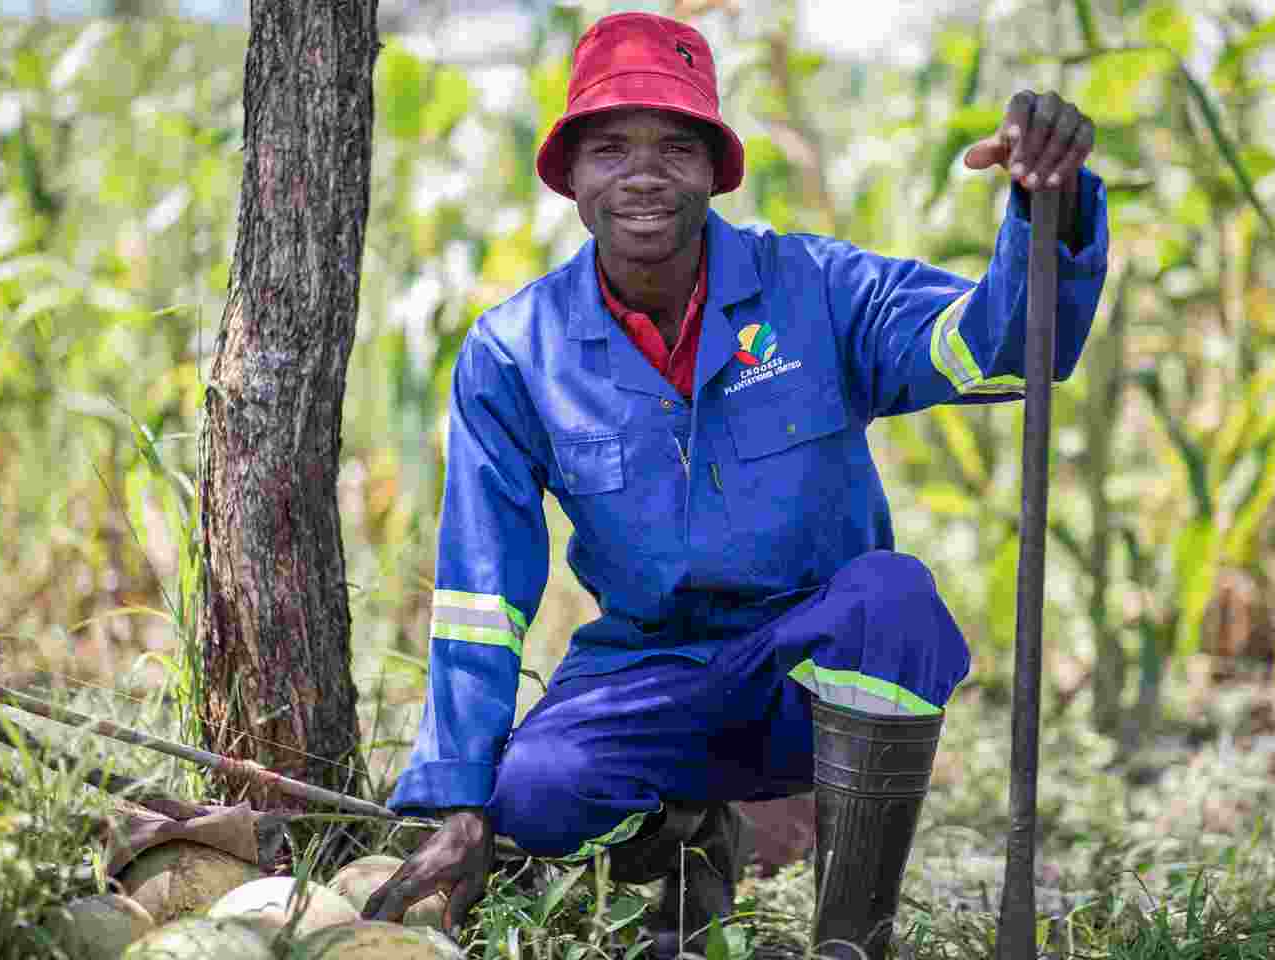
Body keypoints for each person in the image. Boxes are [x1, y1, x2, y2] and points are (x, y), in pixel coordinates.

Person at [365, 11, 1108, 959]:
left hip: (815, 677)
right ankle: (685, 851)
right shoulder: (516, 351)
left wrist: (1056, 203)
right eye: (610, 148)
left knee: (893, 599)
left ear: (718, 168)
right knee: (538, 795)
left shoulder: (817, 289)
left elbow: (1000, 347)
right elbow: (482, 587)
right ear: (570, 176)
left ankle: (850, 938)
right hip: (648, 671)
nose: (644, 173)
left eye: (677, 145)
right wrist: (461, 796)